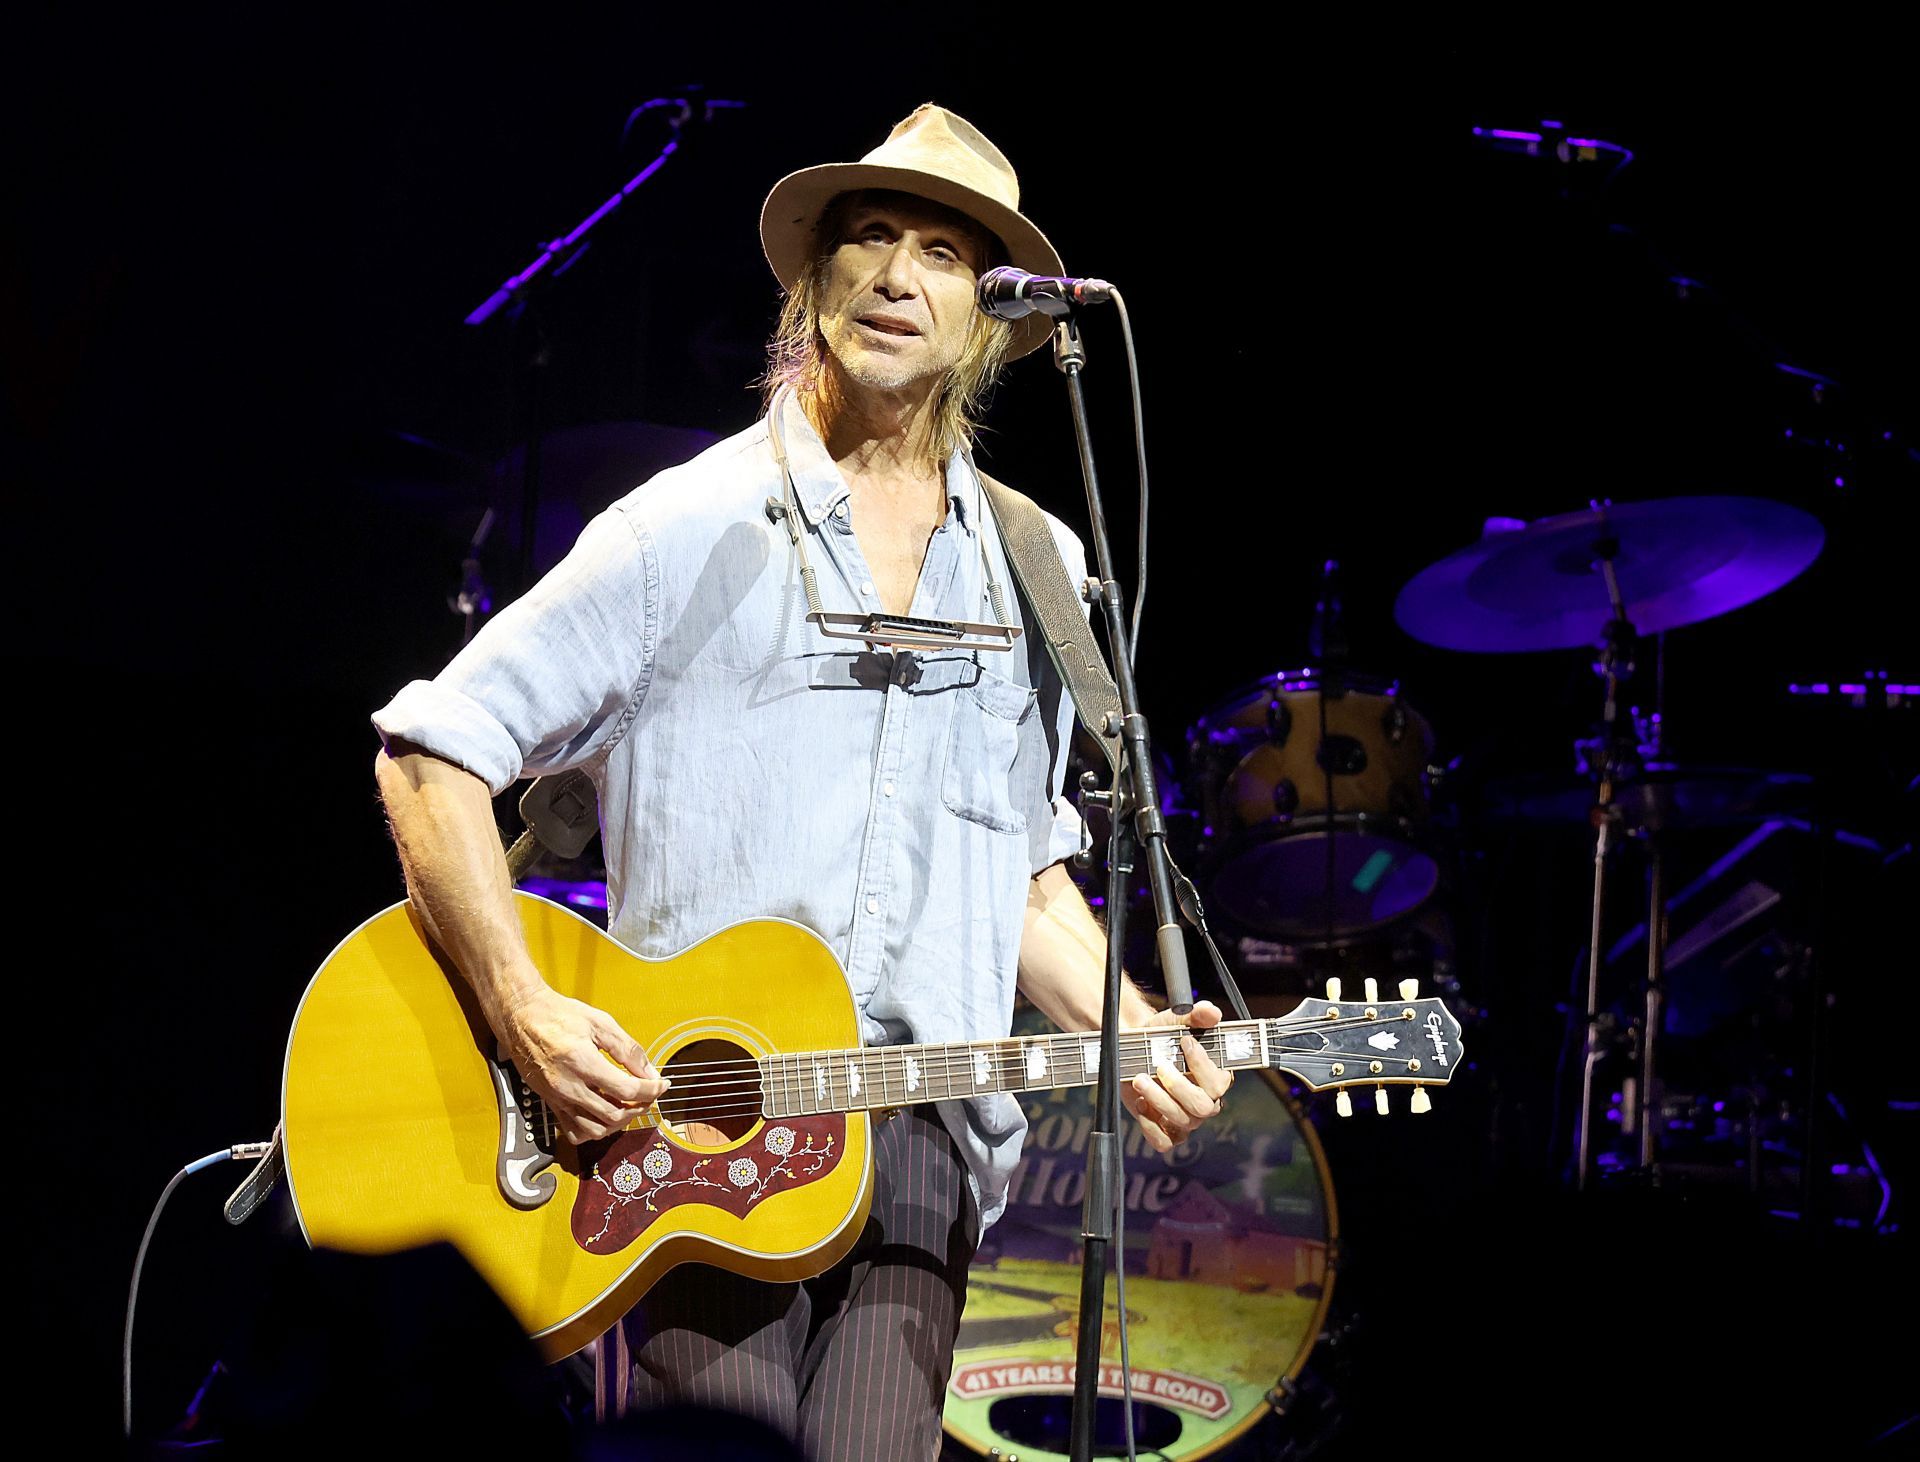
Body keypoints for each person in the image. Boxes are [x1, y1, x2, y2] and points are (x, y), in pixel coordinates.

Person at [370, 103, 1231, 1460]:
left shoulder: (1040, 567)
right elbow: (431, 750)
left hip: (927, 1149)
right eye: (869, 239)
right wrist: (524, 1008)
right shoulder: (685, 526)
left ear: (995, 318)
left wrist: (1131, 1030)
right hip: (706, 1140)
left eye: (944, 253)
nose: (897, 275)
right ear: (811, 283)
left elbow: (1011, 871)